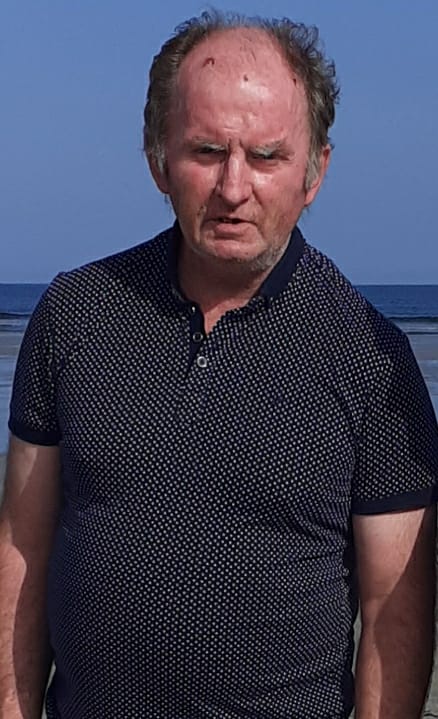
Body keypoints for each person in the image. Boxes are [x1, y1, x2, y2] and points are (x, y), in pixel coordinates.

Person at [1, 9, 437, 719]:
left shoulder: (371, 359)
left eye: (266, 156)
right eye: (207, 151)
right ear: (158, 159)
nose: (234, 188)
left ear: (315, 172)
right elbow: (23, 546)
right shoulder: (76, 313)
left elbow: (394, 613)